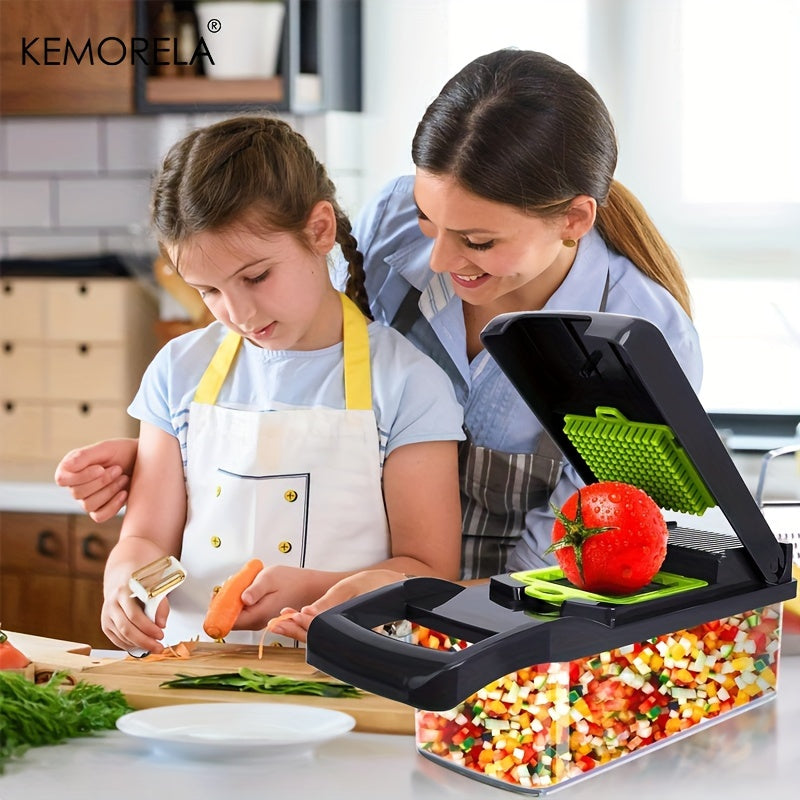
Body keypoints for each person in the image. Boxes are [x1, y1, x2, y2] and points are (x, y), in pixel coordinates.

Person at [56, 50, 702, 637]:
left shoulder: (641, 343)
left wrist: (362, 596)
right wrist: (177, 450)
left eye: (477, 241)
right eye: (429, 219)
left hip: (513, 638)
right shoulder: (393, 223)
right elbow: (308, 341)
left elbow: (573, 571)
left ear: (573, 220)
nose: (440, 259)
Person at [94, 115, 464, 655]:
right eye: (208, 291)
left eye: (255, 277)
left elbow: (430, 572)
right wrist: (125, 585)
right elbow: (147, 539)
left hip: (348, 673)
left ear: (319, 230)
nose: (237, 312)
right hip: (193, 671)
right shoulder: (178, 371)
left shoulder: (408, 383)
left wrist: (315, 589)